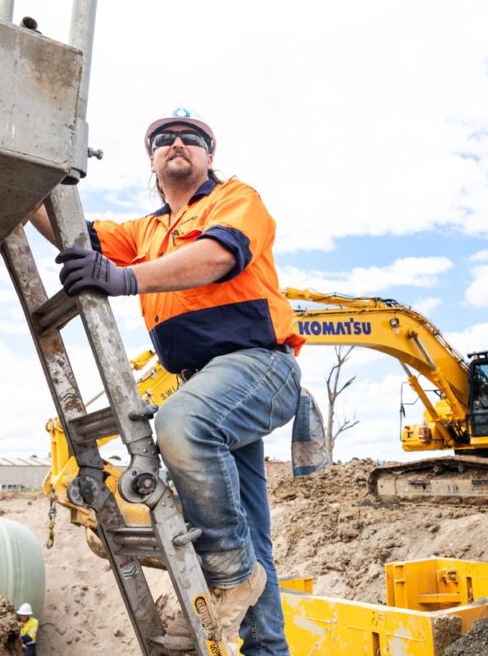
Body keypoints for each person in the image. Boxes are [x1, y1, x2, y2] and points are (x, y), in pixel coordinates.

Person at [29, 106, 302, 655]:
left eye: (192, 138)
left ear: (209, 156)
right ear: (151, 160)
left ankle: (227, 577)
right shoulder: (147, 230)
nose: (178, 143)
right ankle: (265, 644)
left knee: (182, 423)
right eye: (165, 139)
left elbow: (217, 258)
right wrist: (17, 182)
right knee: (251, 531)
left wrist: (124, 278)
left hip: (259, 366)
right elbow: (70, 230)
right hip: (205, 379)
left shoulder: (235, 199)